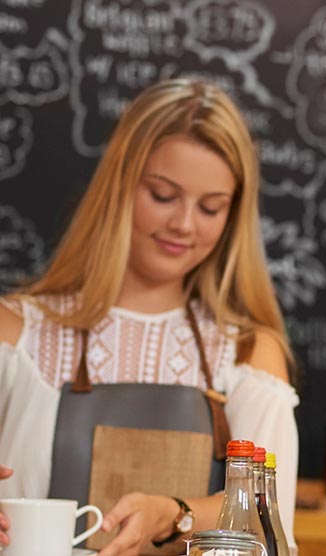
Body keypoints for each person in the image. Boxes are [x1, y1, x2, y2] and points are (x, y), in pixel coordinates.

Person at [0, 78, 298, 555]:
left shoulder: (246, 354)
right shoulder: (15, 334)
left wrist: (173, 514)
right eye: (163, 195)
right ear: (119, 187)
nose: (183, 224)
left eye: (210, 207)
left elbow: (267, 519)